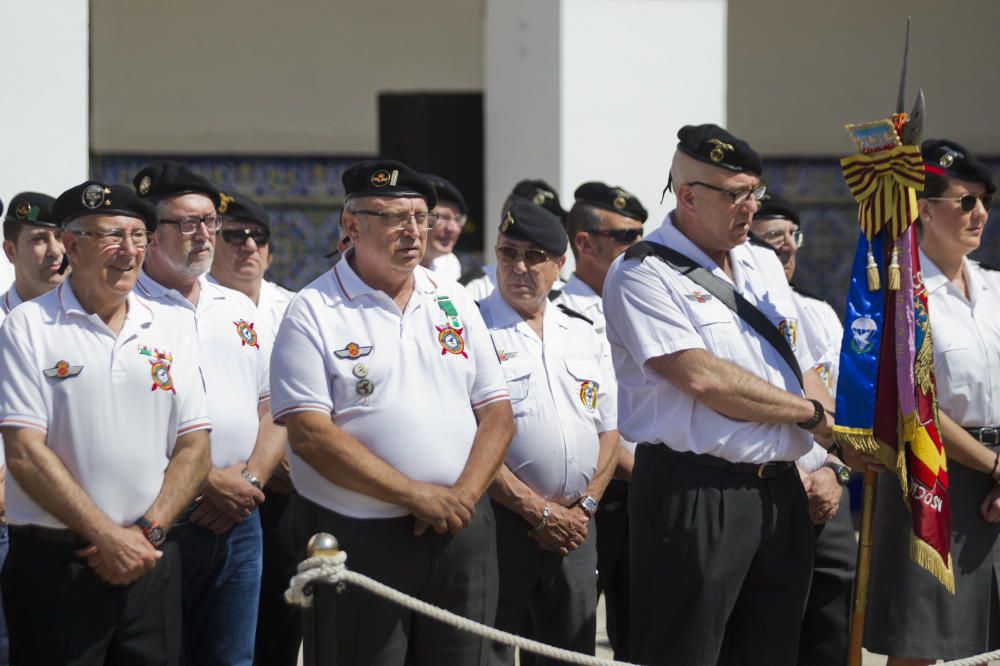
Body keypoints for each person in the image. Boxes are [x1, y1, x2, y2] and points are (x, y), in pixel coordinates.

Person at [602, 124, 838, 666]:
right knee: (687, 651)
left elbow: (802, 360)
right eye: (735, 195)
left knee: (771, 650)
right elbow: (703, 378)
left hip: (780, 492)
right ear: (688, 196)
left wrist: (833, 447)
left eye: (753, 192)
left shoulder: (759, 262)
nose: (750, 207)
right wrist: (810, 414)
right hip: (695, 492)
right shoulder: (642, 272)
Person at [271, 159, 515, 666]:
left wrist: (460, 499)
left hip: (459, 531)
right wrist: (413, 495)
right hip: (362, 536)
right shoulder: (313, 310)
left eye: (421, 217)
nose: (413, 231)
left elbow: (497, 413)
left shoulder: (453, 300)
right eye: (393, 217)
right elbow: (311, 434)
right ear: (351, 224)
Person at [0, 180, 212, 665]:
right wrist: (106, 536)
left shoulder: (172, 325)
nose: (130, 251)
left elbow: (195, 445)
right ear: (72, 245)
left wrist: (146, 533)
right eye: (113, 236)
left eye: (139, 236)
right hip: (60, 568)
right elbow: (26, 453)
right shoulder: (28, 327)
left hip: (151, 559)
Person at [133, 161, 285, 666]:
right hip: (164, 518)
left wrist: (249, 480)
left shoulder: (239, 309)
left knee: (232, 658)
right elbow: (124, 426)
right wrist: (204, 483)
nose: (204, 235)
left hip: (242, 520)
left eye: (209, 223)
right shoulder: (127, 309)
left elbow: (274, 410)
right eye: (188, 223)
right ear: (152, 235)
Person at [864, 139, 1000, 665]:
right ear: (924, 209)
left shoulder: (993, 288)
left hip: (995, 474)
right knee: (920, 647)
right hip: (935, 477)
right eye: (966, 202)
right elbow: (912, 402)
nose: (981, 213)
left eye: (985, 201)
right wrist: (993, 467)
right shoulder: (900, 294)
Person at [481, 201, 619, 665]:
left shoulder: (583, 333)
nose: (519, 267)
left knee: (569, 652)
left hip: (577, 528)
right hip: (501, 521)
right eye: (508, 253)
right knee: (491, 648)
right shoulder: (472, 328)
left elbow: (609, 432)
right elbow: (466, 437)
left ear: (560, 264)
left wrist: (586, 507)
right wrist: (535, 509)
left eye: (534, 255)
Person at [751, 192, 857, 666]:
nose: (788, 247)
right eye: (774, 237)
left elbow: (849, 408)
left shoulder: (820, 315)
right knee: (767, 635)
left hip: (830, 490)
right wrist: (792, 478)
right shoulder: (735, 315)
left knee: (831, 630)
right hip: (767, 493)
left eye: (794, 235)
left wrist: (835, 471)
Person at [552, 181, 646, 660]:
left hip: (649, 490)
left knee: (643, 633)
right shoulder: (557, 314)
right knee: (573, 630)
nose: (639, 246)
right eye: (626, 236)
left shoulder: (645, 300)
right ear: (584, 243)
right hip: (594, 496)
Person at [206, 190, 300, 666]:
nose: (247, 246)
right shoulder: (190, 305)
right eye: (235, 236)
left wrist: (272, 466)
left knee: (281, 621)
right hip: (213, 491)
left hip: (282, 488)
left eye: (257, 238)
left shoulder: (295, 307)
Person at [462, 179, 567, 300]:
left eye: (535, 254)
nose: (520, 267)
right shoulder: (476, 287)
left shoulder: (568, 295)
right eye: (527, 218)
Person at [1, 192, 65, 323]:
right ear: (10, 251)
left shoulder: (96, 313)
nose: (55, 251)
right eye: (39, 239)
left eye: (60, 237)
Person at [420, 173, 467, 281]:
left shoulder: (449, 263)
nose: (453, 229)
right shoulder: (392, 265)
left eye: (458, 220)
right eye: (443, 217)